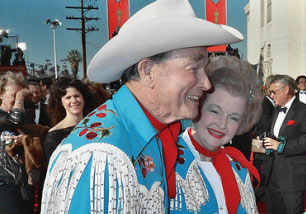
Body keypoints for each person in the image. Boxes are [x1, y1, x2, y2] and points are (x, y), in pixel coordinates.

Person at [41, 0, 243, 213]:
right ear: (148, 70)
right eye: (194, 68)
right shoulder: (105, 157)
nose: (206, 83)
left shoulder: (145, 136)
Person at [172, 55, 263, 213]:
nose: (222, 124)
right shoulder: (167, 162)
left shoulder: (239, 168)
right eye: (214, 111)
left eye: (234, 118)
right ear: (197, 105)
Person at [260, 74, 306, 214]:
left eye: (274, 92)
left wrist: (282, 146)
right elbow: (278, 135)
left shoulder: (305, 111)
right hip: (272, 175)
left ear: (286, 89)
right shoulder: (276, 110)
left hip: (292, 177)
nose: (271, 96)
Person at [0, 71, 34, 214]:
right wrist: (20, 97)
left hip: (24, 183)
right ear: (1, 94)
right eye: (14, 94)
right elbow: (15, 120)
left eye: (21, 95)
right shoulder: (4, 117)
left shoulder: (26, 118)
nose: (18, 99)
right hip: (4, 185)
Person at [43, 77, 95, 162]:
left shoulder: (96, 125)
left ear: (83, 98)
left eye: (76, 96)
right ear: (61, 102)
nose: (73, 100)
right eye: (68, 97)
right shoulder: (54, 135)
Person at [252, 75, 275, 201]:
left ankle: (259, 193)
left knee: (261, 167)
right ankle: (259, 193)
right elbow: (266, 123)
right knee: (262, 168)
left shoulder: (267, 101)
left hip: (261, 139)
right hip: (263, 140)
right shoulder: (265, 102)